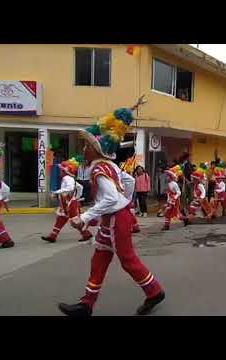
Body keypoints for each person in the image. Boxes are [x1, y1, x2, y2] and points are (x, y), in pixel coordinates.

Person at [58, 99, 165, 317]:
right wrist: (124, 201)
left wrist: (85, 217)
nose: (84, 149)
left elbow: (108, 199)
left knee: (127, 259)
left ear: (95, 150)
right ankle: (86, 304)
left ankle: (154, 291)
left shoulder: (99, 170)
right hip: (114, 217)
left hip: (115, 218)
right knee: (100, 256)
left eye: (87, 146)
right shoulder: (111, 166)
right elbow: (130, 183)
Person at [41, 157, 93, 243]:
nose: (60, 172)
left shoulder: (67, 178)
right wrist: (77, 197)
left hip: (69, 204)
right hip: (67, 203)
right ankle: (53, 236)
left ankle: (86, 233)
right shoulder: (69, 178)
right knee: (61, 218)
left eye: (61, 170)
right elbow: (80, 187)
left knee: (75, 221)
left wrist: (56, 192)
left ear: (66, 171)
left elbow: (70, 187)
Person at [162, 164, 188, 230]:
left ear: (171, 177)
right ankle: (166, 225)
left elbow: (179, 192)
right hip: (170, 201)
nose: (166, 177)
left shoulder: (174, 184)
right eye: (166, 176)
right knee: (168, 213)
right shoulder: (168, 184)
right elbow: (168, 193)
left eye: (168, 176)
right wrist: (168, 200)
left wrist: (175, 197)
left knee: (177, 214)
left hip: (175, 201)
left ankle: (186, 219)